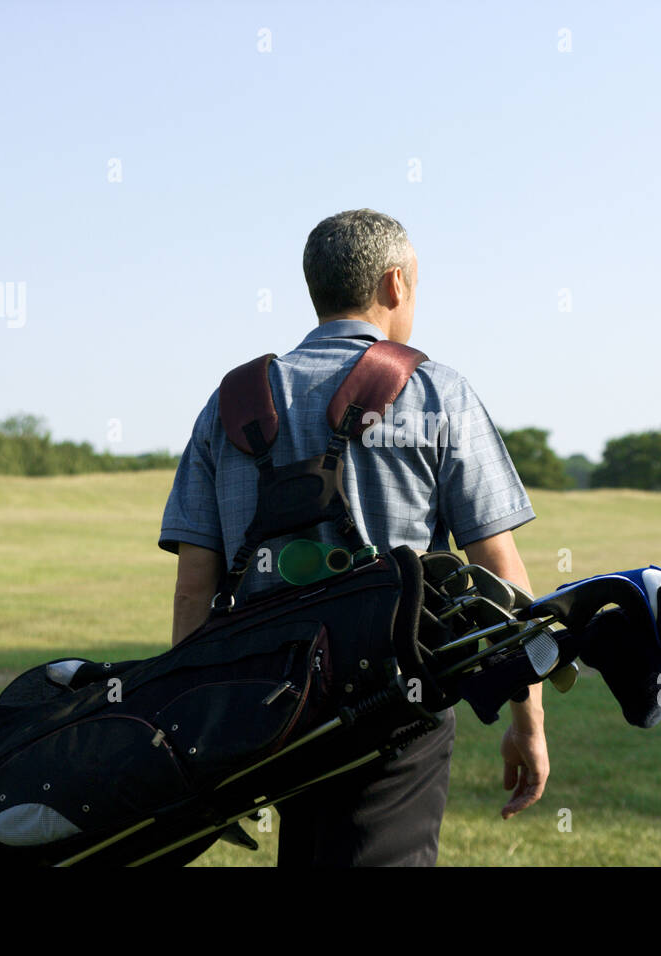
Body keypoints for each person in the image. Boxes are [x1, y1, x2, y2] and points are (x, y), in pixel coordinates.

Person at [158, 208, 548, 866]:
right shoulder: (435, 393)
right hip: (398, 700)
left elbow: (193, 588)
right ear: (396, 285)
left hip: (267, 708)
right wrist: (528, 721)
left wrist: (201, 730)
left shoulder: (230, 404)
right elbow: (499, 572)